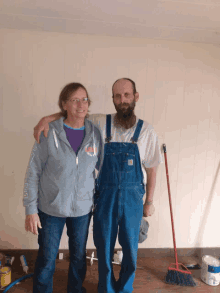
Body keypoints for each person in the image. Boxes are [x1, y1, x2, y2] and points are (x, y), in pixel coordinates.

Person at [33, 78, 162, 293]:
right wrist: (47, 118)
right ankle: (106, 289)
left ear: (135, 97)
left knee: (130, 249)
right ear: (112, 99)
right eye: (118, 96)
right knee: (104, 247)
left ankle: (124, 289)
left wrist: (149, 201)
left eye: (127, 95)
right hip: (105, 197)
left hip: (132, 201)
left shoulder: (147, 132)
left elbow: (152, 169)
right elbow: (75, 113)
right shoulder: (101, 123)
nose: (123, 100)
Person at [23, 82, 102, 293]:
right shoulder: (50, 132)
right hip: (50, 209)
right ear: (64, 104)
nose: (81, 105)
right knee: (47, 257)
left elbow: (101, 170)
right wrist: (31, 209)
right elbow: (33, 172)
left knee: (78, 257)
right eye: (75, 100)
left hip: (83, 211)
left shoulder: (95, 133)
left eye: (84, 99)